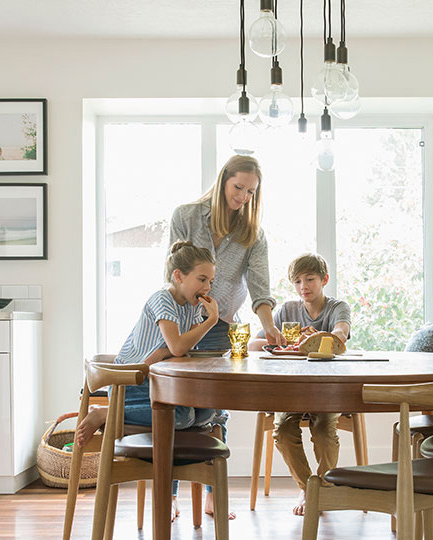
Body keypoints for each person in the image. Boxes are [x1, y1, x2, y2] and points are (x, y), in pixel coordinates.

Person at [75, 240, 231, 521]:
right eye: (202, 279)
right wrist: (211, 321)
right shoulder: (163, 299)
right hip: (131, 385)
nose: (207, 287)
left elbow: (177, 348)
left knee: (215, 412)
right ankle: (106, 412)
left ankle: (211, 494)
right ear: (178, 276)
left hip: (157, 382)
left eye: (210, 280)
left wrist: (170, 348)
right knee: (181, 417)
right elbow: (179, 347)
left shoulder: (189, 306)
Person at [249, 253, 351, 516]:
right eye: (297, 281)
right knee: (282, 430)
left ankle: (324, 488)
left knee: (325, 430)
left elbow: (340, 336)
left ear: (324, 280)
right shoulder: (286, 310)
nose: (303, 286)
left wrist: (318, 338)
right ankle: (309, 489)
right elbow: (253, 344)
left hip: (328, 389)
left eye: (310, 279)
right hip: (292, 389)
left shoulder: (337, 307)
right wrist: (280, 341)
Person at [169, 155, 286, 350]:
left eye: (250, 192)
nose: (243, 197)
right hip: (180, 321)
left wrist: (269, 327)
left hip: (220, 327)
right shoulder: (185, 217)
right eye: (238, 187)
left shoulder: (253, 235)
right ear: (223, 181)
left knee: (219, 380)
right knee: (175, 378)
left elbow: (260, 288)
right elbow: (172, 272)